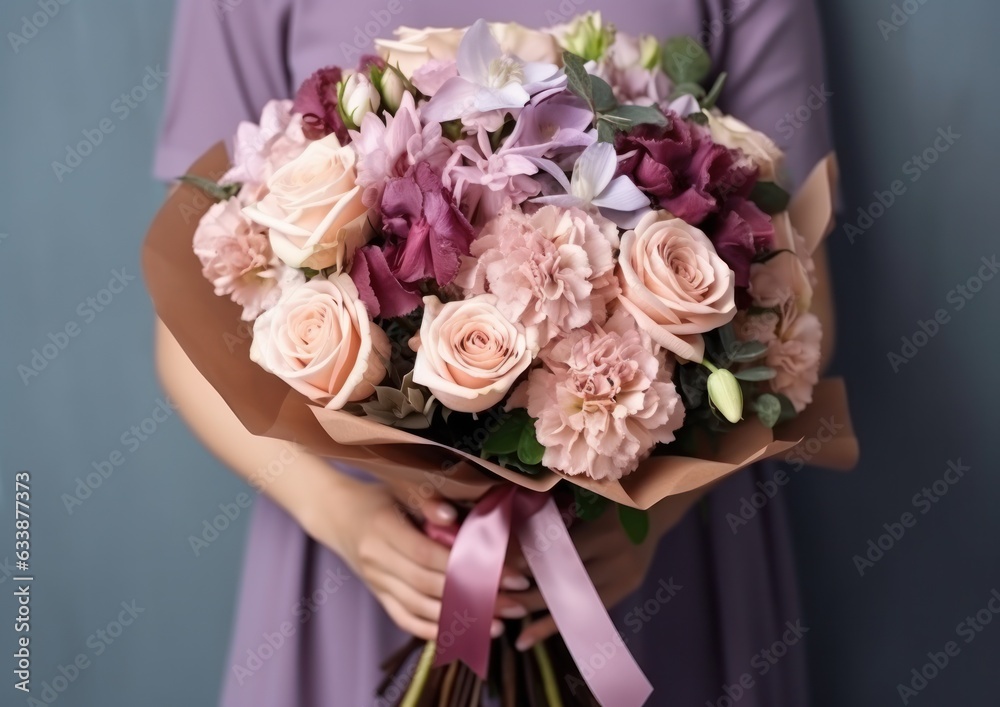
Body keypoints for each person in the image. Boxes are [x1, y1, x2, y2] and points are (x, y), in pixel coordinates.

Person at [153, 1, 835, 704]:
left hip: (656, 560)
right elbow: (189, 325)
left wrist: (651, 517)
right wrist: (341, 516)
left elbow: (798, 303)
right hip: (365, 564)